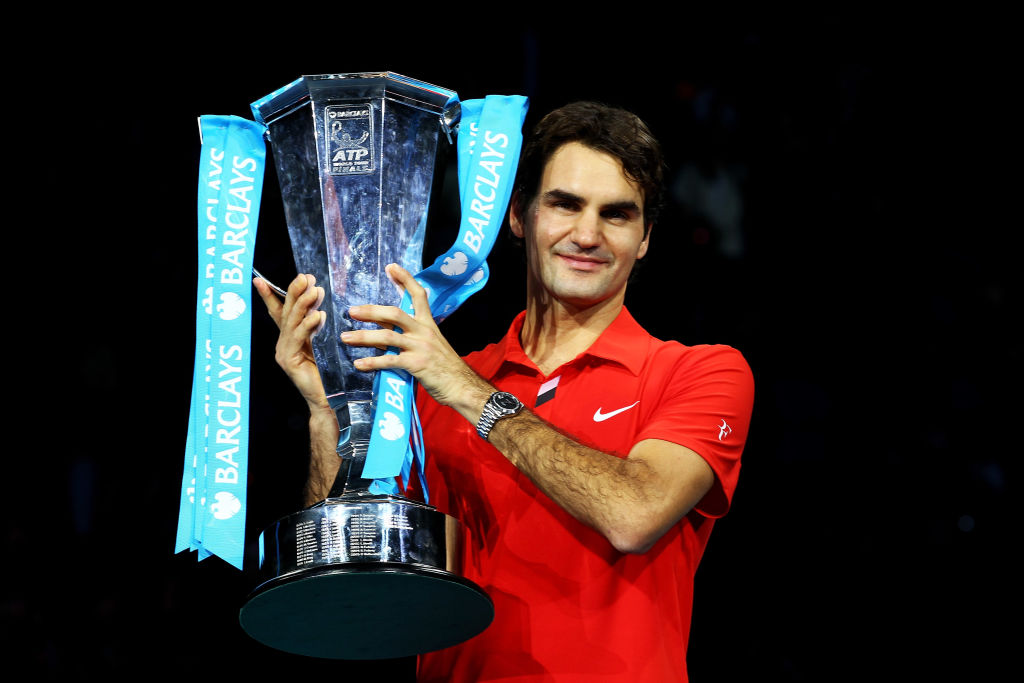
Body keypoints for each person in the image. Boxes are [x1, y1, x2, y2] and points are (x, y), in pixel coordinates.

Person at [255, 101, 754, 682]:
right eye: (564, 205)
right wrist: (329, 410)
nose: (587, 234)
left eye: (617, 215)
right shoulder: (431, 385)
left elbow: (634, 513)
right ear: (518, 215)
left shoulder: (701, 373)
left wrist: (467, 391)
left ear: (644, 239)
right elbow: (351, 580)